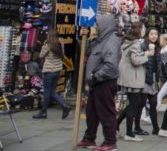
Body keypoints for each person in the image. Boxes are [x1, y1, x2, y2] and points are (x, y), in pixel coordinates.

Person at [77, 14, 121, 151]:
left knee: (106, 112)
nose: (95, 27)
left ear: (104, 25)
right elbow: (88, 50)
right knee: (92, 112)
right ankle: (89, 138)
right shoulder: (101, 40)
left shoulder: (111, 41)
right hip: (96, 82)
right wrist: (83, 37)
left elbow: (111, 66)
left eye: (97, 25)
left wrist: (96, 76)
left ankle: (110, 141)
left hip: (104, 82)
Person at [117, 22, 151, 142]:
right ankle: (129, 133)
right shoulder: (136, 43)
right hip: (133, 78)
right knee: (134, 104)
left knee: (133, 104)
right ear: (140, 30)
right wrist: (146, 55)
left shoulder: (128, 41)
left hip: (128, 77)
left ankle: (118, 126)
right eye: (144, 29)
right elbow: (135, 60)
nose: (144, 31)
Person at [33, 30, 71, 120]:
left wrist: (43, 46)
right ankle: (64, 105)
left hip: (48, 71)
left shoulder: (47, 45)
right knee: (52, 91)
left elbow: (41, 56)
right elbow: (63, 55)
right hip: (57, 71)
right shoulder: (60, 44)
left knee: (47, 92)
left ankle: (44, 112)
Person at [138, 27, 160, 135]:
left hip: (152, 79)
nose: (154, 36)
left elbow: (156, 64)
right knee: (139, 104)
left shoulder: (157, 47)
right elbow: (143, 63)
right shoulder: (143, 46)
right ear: (147, 35)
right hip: (145, 80)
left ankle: (156, 128)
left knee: (153, 104)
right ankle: (136, 127)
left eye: (156, 34)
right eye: (152, 34)